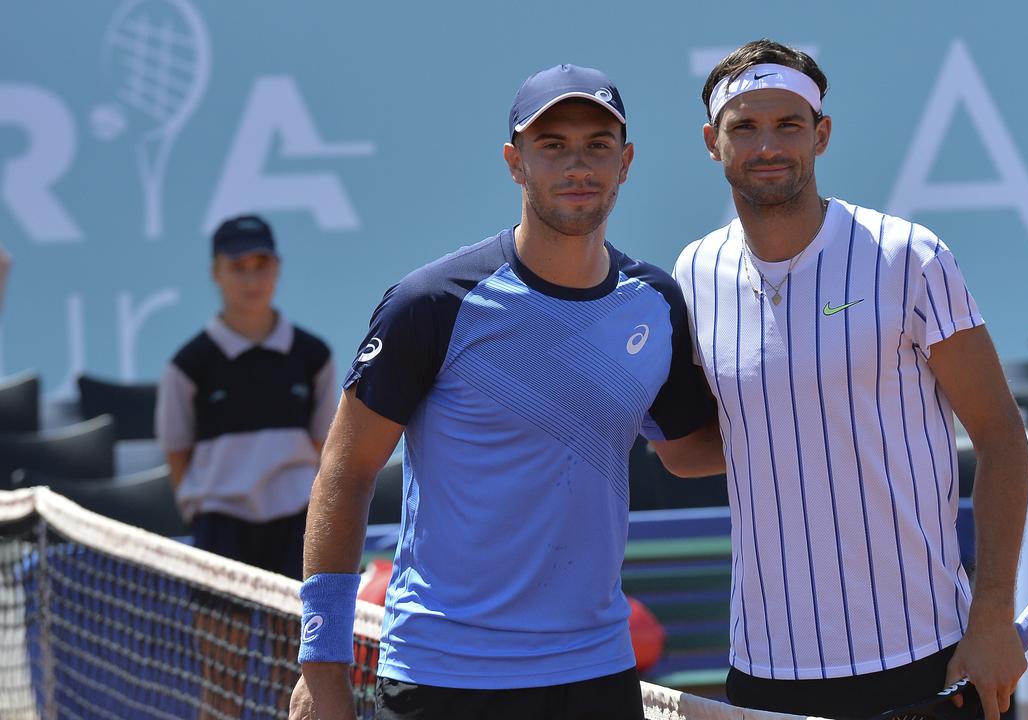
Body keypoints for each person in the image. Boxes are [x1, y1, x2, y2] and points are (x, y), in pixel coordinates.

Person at [288, 64, 720, 720]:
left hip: (596, 674)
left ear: (625, 162)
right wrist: (322, 670)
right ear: (515, 163)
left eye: (598, 145)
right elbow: (345, 473)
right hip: (444, 675)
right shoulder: (431, 304)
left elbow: (689, 452)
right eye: (552, 146)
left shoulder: (655, 303)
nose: (578, 165)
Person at [668, 40, 1028, 720]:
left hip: (930, 657)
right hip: (765, 672)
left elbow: (1001, 434)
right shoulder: (692, 273)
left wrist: (992, 620)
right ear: (712, 141)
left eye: (788, 125)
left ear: (821, 135)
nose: (767, 145)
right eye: (744, 127)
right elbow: (690, 451)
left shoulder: (909, 257)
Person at [156, 214, 336, 580]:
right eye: (238, 267)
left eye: (262, 265)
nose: (251, 278)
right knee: (221, 635)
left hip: (298, 517)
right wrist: (208, 504)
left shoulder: (313, 355)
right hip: (218, 521)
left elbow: (325, 443)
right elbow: (176, 450)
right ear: (215, 273)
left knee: (294, 635)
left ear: (278, 268)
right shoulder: (188, 364)